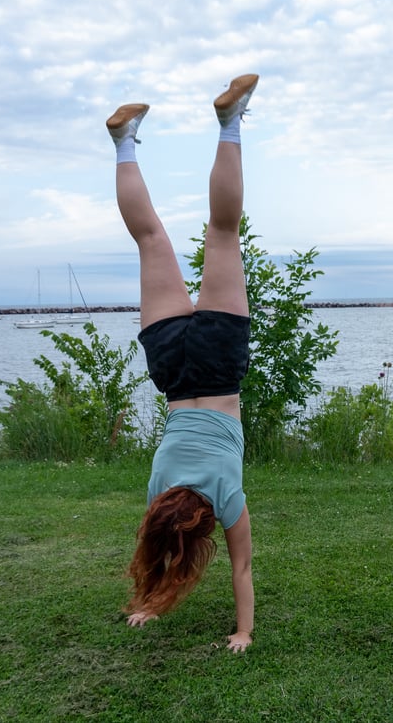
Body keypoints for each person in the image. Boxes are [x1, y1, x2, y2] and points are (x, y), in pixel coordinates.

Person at [109, 73, 259, 653]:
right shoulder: (159, 488)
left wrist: (244, 632)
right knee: (150, 238)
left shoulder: (224, 496)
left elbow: (242, 567)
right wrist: (146, 599)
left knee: (223, 233)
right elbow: (160, 538)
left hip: (219, 366)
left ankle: (230, 122)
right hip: (171, 368)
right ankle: (123, 140)